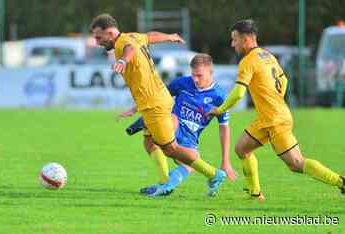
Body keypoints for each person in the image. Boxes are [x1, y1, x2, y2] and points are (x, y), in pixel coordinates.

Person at [207, 19, 345, 202]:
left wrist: (220, 109)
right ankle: (255, 194)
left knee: (296, 163)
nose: (232, 44)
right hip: (268, 117)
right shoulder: (267, 55)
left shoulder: (247, 61)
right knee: (242, 149)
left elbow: (239, 93)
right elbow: (284, 80)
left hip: (274, 120)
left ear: (246, 39)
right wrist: (274, 99)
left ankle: (340, 182)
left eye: (235, 39)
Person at [90, 14, 227, 196]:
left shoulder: (124, 44)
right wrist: (170, 37)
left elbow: (129, 50)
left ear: (110, 32)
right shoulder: (132, 36)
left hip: (155, 104)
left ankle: (214, 174)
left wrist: (123, 60)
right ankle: (164, 182)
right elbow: (150, 36)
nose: (97, 42)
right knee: (149, 142)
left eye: (99, 37)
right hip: (156, 100)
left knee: (171, 149)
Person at [121, 54, 236, 196]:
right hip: (172, 124)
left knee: (187, 164)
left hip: (190, 138)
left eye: (199, 76)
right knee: (152, 139)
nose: (195, 79)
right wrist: (134, 109)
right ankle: (164, 182)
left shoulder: (220, 97)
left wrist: (225, 161)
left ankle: (204, 176)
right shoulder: (182, 83)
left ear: (211, 72)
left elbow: (224, 128)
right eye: (193, 75)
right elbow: (157, 97)